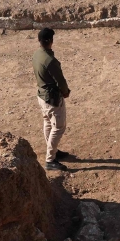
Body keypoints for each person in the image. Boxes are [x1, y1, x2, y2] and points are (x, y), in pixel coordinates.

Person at [33, 27, 71, 172]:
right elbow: (60, 81)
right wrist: (65, 92)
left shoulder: (37, 54)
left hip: (41, 96)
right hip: (52, 98)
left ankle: (53, 151)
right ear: (51, 41)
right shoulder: (50, 60)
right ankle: (50, 159)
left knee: (48, 122)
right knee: (58, 127)